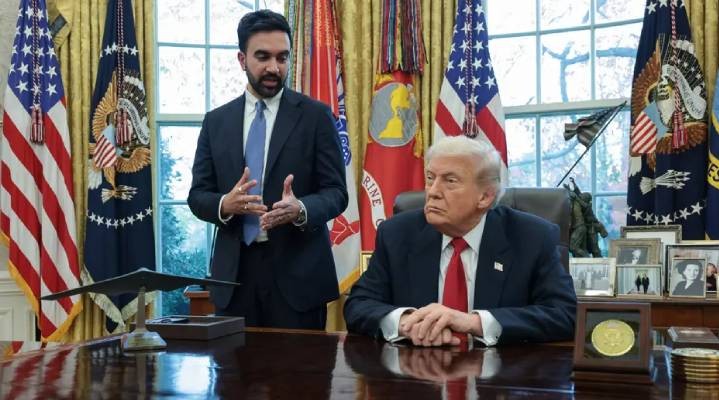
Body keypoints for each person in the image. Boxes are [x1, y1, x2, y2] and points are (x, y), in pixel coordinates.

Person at [187, 10, 348, 329]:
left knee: (301, 365)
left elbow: (336, 193)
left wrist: (301, 209)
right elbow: (198, 196)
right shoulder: (216, 122)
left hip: (299, 279)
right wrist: (225, 204)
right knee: (232, 363)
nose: (274, 67)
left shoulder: (316, 117)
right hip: (234, 280)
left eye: (282, 57)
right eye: (263, 57)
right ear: (242, 59)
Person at [343, 136, 577, 346]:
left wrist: (473, 323)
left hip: (501, 374)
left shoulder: (532, 237)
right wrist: (407, 323)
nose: (432, 191)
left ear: (485, 197)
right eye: (430, 178)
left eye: (450, 181)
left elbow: (564, 315)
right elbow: (358, 304)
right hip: (416, 371)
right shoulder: (397, 234)